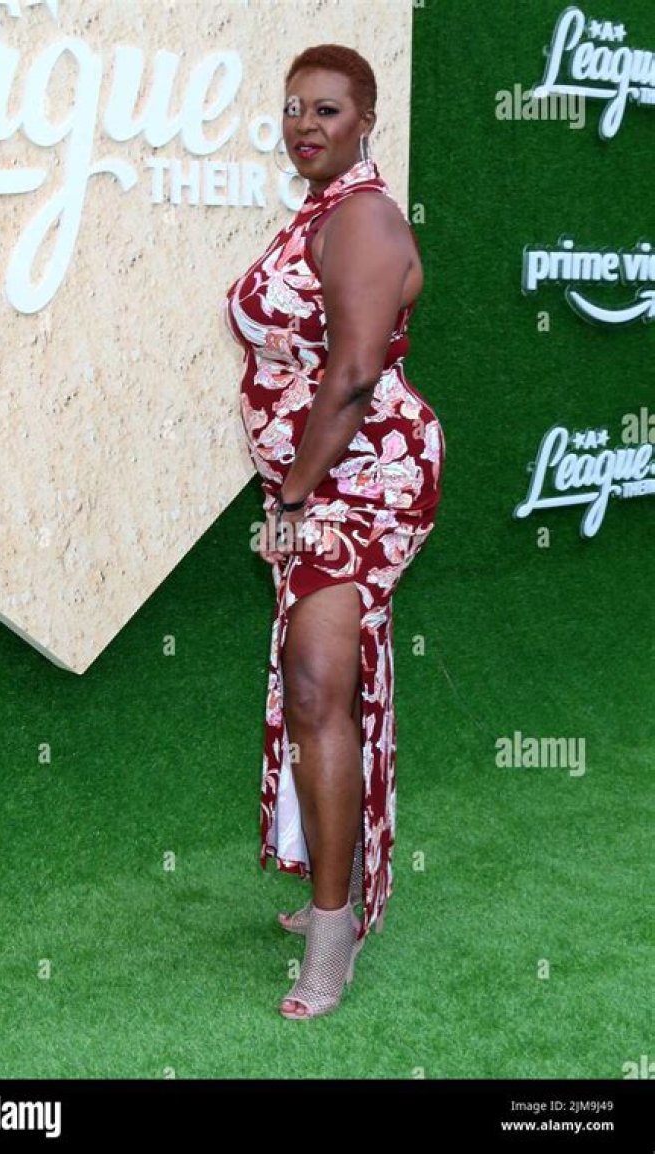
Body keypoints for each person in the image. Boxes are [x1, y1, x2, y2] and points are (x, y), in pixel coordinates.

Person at [223, 43, 446, 1020]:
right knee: (323, 686)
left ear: (366, 122)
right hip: (320, 479)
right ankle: (333, 877)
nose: (304, 125)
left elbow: (353, 376)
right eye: (292, 109)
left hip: (364, 478)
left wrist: (291, 499)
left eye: (326, 109)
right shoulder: (318, 212)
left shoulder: (362, 217)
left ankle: (331, 936)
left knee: (317, 685)